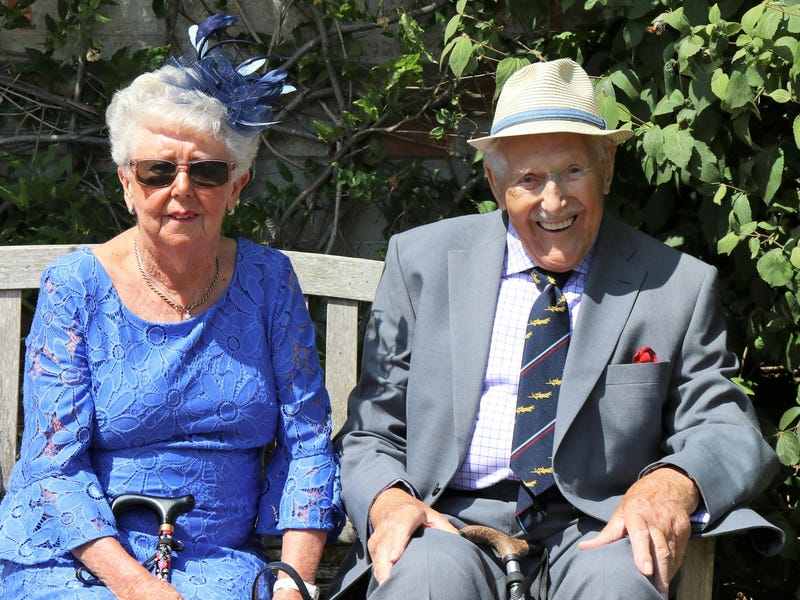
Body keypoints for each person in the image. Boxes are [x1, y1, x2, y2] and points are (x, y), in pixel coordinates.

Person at [330, 59, 783, 599]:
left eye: (572, 171)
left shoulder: (675, 285)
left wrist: (670, 487)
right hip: (449, 520)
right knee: (423, 582)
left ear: (607, 167)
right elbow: (372, 428)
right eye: (528, 179)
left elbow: (725, 427)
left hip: (597, 527)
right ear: (497, 183)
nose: (553, 202)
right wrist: (390, 500)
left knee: (621, 586)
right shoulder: (422, 262)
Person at [0, 14, 342, 600]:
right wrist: (137, 589)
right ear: (127, 183)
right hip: (81, 561)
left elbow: (306, 441)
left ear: (236, 186)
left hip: (221, 563)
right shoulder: (75, 288)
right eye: (158, 170)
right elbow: (52, 469)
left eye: (206, 171)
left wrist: (295, 581)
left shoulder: (266, 280)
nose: (181, 189)